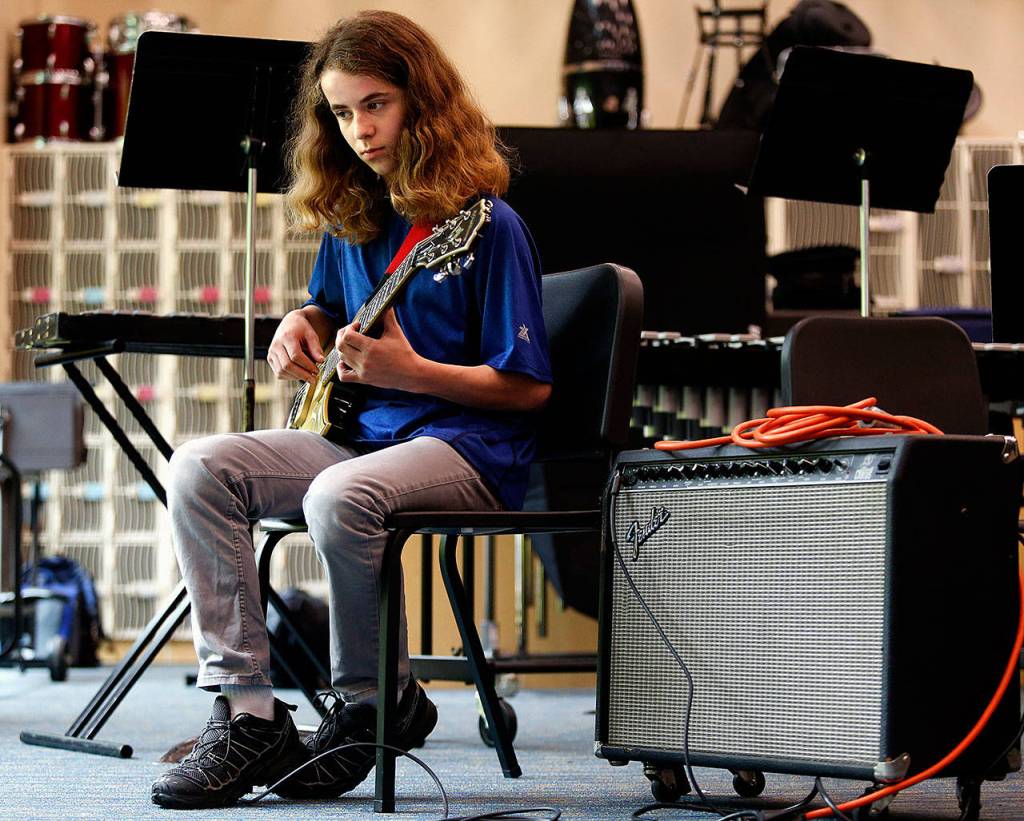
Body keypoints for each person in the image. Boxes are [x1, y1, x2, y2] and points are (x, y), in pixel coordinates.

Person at [150, 10, 552, 810]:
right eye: (341, 112)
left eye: (376, 104)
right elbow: (331, 312)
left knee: (341, 495)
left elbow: (529, 388)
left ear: (421, 102)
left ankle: (374, 701)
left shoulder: (490, 226)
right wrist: (302, 326)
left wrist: (415, 371)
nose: (360, 129)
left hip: (471, 448)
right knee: (199, 467)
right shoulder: (353, 218)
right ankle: (250, 710)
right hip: (364, 440)